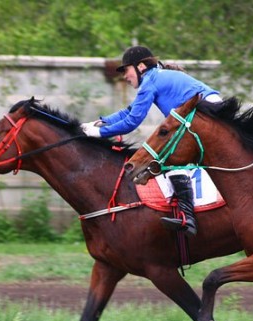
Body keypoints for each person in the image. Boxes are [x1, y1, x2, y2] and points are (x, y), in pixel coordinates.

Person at [81, 45, 223, 236]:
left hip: (207, 111)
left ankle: (188, 218)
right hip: (209, 108)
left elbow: (132, 122)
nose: (125, 76)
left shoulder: (150, 81)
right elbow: (130, 111)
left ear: (140, 67)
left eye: (126, 70)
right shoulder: (154, 78)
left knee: (168, 157)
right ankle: (187, 217)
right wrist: (102, 122)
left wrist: (99, 134)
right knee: (169, 157)